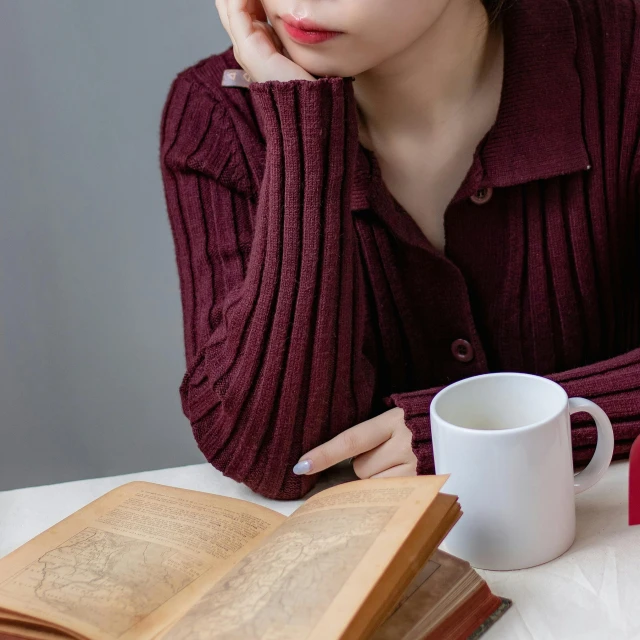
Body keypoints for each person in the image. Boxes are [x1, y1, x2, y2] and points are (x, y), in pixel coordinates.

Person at [159, 0, 640, 500]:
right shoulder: (218, 116)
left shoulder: (623, 58)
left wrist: (474, 438)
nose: (297, 3)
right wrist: (302, 127)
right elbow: (269, 457)